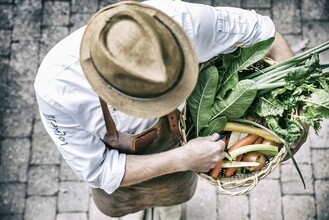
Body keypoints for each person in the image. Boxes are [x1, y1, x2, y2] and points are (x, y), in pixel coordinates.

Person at [34, 0, 300, 219]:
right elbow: (100, 170)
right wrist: (184, 159)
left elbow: (264, 32)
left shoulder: (183, 20)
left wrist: (297, 115)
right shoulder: (56, 90)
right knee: (121, 208)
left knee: (174, 201)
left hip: (180, 160)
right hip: (128, 181)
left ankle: (169, 212)